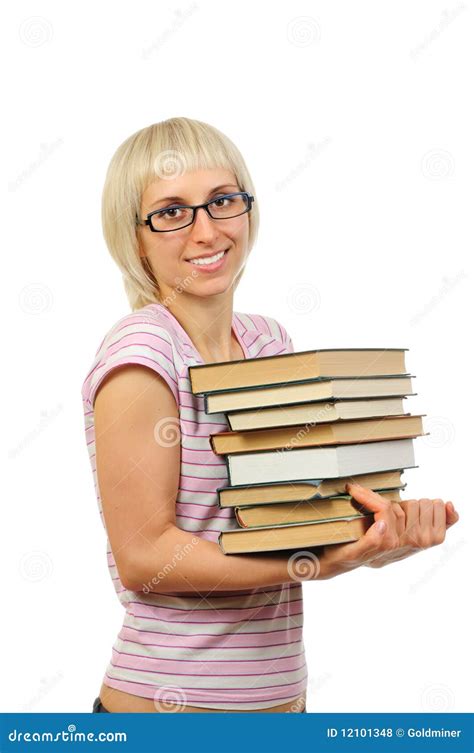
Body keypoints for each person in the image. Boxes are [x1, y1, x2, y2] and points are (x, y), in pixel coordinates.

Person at [81, 117, 459, 714]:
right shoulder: (141, 357)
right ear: (135, 239)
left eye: (222, 201)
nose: (206, 231)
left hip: (284, 705)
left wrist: (376, 531)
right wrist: (314, 565)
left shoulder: (266, 343)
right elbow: (144, 558)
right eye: (172, 212)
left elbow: (291, 518)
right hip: (171, 716)